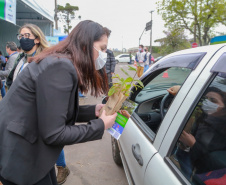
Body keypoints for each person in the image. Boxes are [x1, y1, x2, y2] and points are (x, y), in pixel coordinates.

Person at [0, 20, 117, 185]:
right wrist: (100, 125)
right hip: (21, 155)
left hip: (32, 151)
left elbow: (54, 110)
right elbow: (54, 134)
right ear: (86, 45)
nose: (105, 54)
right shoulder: (60, 67)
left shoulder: (60, 62)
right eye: (102, 48)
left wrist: (94, 111)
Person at [6, 23, 49, 89]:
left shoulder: (44, 60)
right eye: (21, 36)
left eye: (27, 35)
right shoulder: (20, 58)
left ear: (37, 39)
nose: (23, 39)